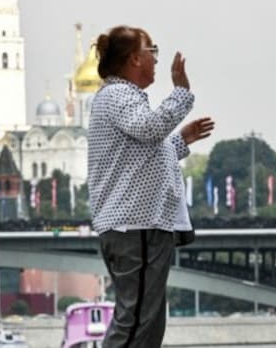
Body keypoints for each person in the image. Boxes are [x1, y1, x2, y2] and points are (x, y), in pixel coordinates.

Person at [87, 25, 215, 347]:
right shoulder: (119, 95)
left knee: (149, 322)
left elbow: (143, 155)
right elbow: (149, 129)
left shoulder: (122, 98)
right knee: (136, 321)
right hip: (135, 226)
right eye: (151, 51)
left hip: (139, 226)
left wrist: (182, 140)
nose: (156, 60)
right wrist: (181, 93)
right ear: (133, 59)